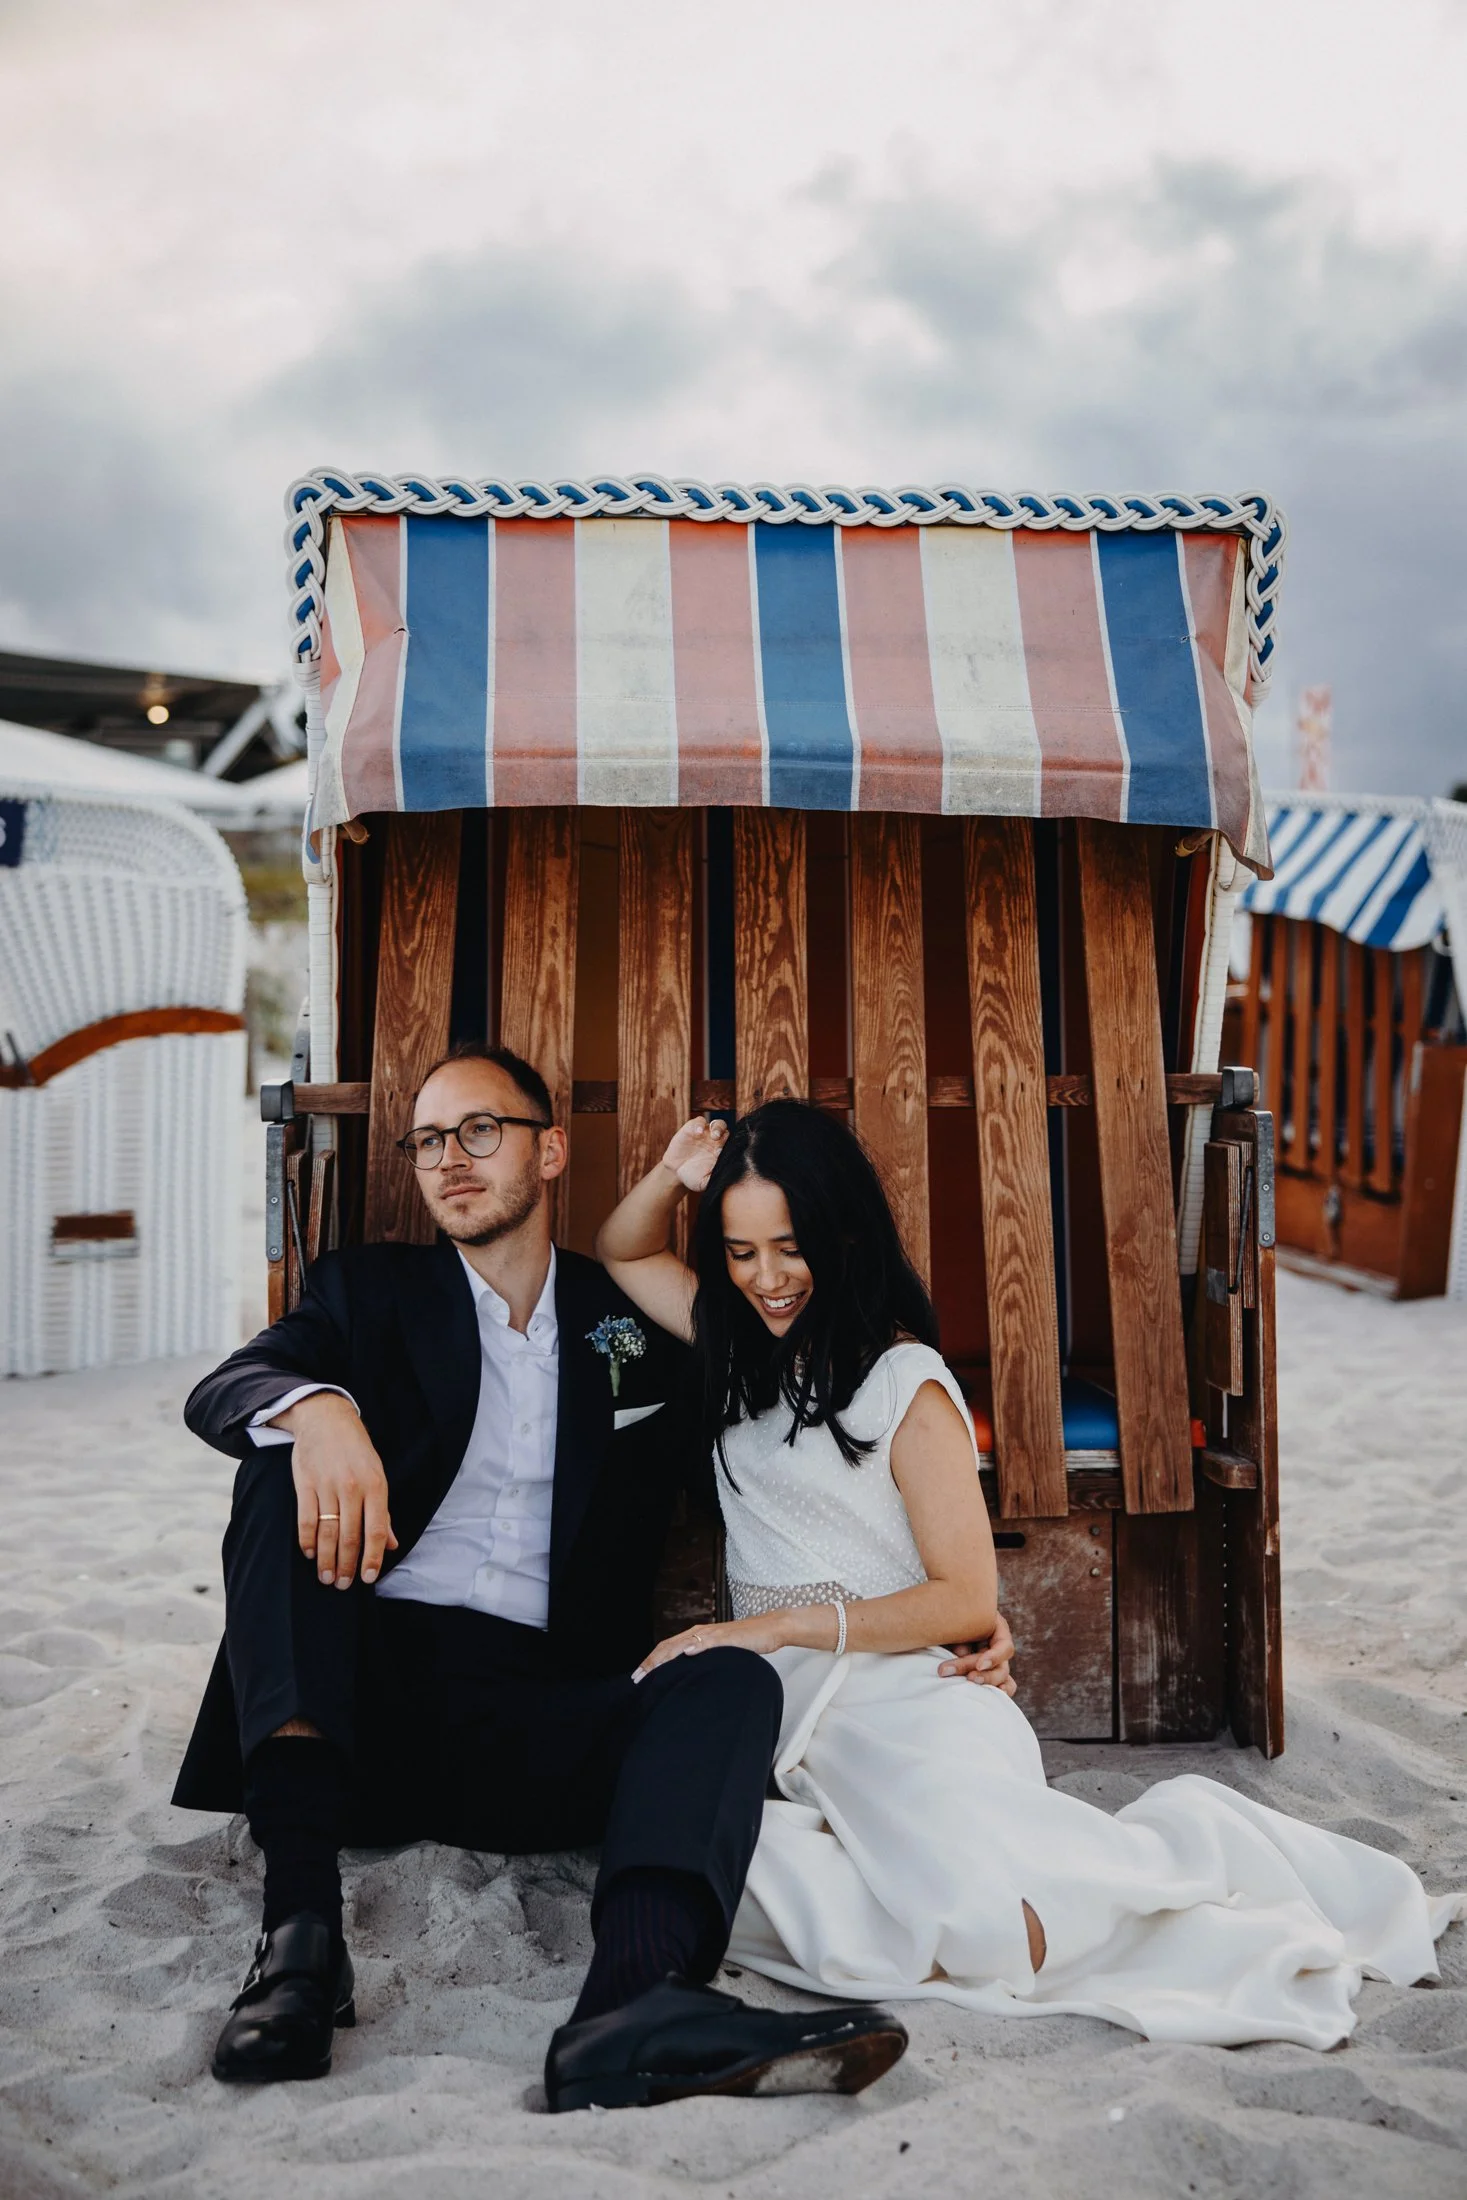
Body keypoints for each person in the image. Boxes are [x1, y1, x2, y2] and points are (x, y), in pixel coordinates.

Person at [175, 1042, 1013, 2109]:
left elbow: (801, 1393)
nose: (451, 1160)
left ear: (551, 1148)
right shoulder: (369, 1290)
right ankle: (298, 1945)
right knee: (274, 1468)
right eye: (429, 1140)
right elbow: (228, 1385)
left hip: (538, 1719)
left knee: (730, 1678)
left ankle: (635, 2002)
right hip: (363, 1707)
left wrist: (962, 1610)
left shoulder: (629, 1325)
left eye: (481, 1129)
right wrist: (319, 1409)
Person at [595, 1099, 1465, 2048]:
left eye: (789, 1246)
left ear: (842, 1234)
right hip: (777, 1713)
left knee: (986, 1934)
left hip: (905, 1698)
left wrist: (762, 1630)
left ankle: (1199, 1844)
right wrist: (676, 1173)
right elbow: (622, 1250)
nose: (766, 1278)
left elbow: (965, 1600)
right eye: (739, 1251)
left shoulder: (904, 1381)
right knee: (719, 1869)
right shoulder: (734, 1355)